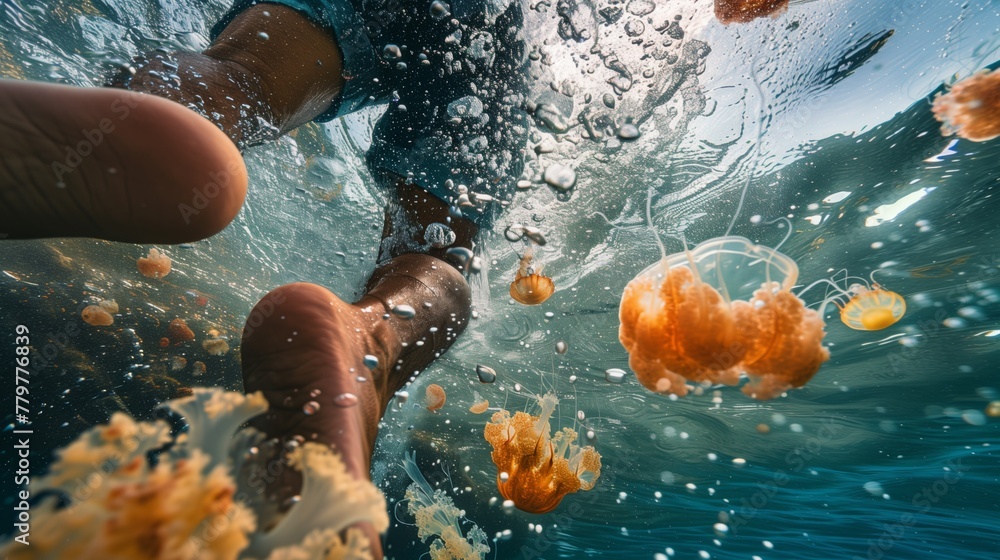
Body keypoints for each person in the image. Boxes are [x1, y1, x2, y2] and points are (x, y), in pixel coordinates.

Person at [0, 0, 528, 556]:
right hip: (495, 30)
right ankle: (371, 337)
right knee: (436, 255)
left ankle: (132, 121)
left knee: (242, 78)